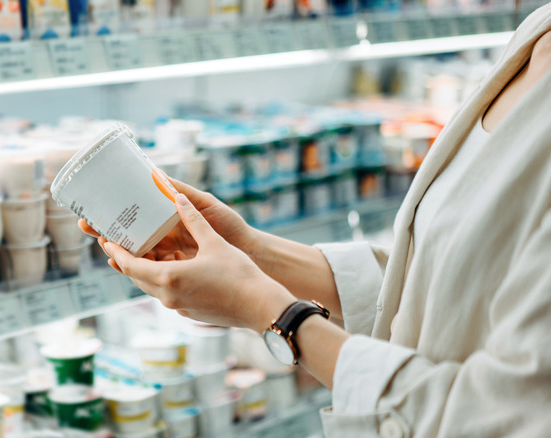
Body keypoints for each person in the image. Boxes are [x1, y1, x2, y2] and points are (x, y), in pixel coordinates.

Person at [80, 4, 551, 437]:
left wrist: (273, 314)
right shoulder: (538, 30)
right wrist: (254, 253)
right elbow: (453, 278)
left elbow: (506, 413)